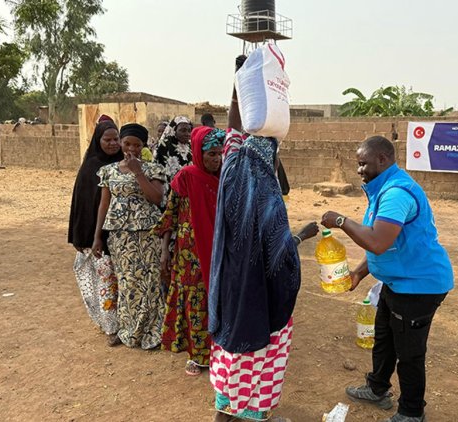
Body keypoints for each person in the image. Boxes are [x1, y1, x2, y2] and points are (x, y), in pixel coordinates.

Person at [320, 136, 454, 422]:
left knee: (409, 352)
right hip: (397, 282)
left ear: (382, 159)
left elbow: (378, 242)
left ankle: (411, 412)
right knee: (384, 338)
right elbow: (387, 246)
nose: (359, 170)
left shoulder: (396, 194)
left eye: (363, 163)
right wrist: (358, 272)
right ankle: (377, 389)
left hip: (418, 286)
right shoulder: (382, 190)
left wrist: (341, 221)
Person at [208, 55, 311, 422]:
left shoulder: (234, 161)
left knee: (233, 345)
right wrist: (299, 241)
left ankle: (230, 409)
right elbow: (279, 253)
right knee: (257, 346)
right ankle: (248, 413)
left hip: (231, 282)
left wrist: (239, 81)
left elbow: (235, 126)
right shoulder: (261, 184)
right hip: (255, 289)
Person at [151, 125, 225, 376]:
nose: (216, 159)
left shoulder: (226, 177)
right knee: (195, 303)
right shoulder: (186, 177)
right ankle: (197, 355)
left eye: (219, 153)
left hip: (218, 250)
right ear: (198, 152)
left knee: (218, 299)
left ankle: (219, 352)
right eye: (211, 154)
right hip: (189, 255)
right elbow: (170, 215)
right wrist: (164, 252)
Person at [93, 123, 165, 349]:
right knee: (127, 283)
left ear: (143, 145)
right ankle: (130, 330)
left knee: (151, 282)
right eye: (127, 144)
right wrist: (97, 237)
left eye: (137, 144)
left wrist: (138, 171)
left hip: (148, 233)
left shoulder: (153, 169)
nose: (131, 149)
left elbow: (156, 199)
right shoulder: (109, 171)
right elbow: (104, 205)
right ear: (121, 144)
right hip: (120, 236)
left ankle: (153, 331)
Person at [67, 119, 123, 339]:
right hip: (97, 238)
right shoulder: (91, 167)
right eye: (107, 139)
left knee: (120, 283)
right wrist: (82, 238)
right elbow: (81, 205)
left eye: (115, 139)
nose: (112, 144)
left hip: (120, 236)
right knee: (106, 282)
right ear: (98, 141)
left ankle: (123, 323)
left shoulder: (125, 164)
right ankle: (111, 327)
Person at [155, 116, 192, 183]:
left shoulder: (191, 148)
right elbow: (157, 170)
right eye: (183, 130)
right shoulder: (163, 147)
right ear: (174, 130)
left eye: (189, 131)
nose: (187, 134)